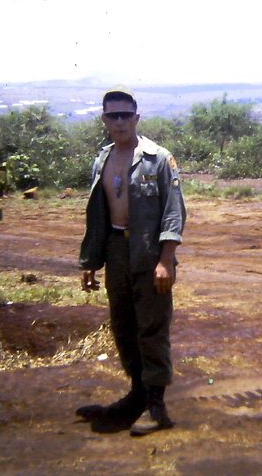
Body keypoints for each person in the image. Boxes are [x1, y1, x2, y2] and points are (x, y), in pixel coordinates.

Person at [76, 85, 187, 436]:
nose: (120, 121)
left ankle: (156, 407)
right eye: (113, 115)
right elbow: (97, 216)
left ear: (136, 117)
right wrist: (90, 261)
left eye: (126, 115)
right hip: (116, 251)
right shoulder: (103, 159)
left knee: (152, 328)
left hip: (150, 253)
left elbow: (174, 212)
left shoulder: (158, 158)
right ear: (104, 119)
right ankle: (136, 395)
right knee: (123, 327)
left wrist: (166, 260)